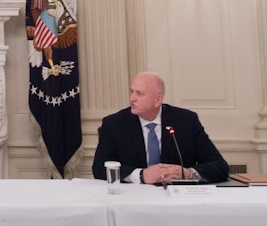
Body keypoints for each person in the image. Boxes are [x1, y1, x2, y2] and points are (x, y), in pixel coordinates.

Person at [92, 71, 229, 184]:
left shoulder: (186, 121)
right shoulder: (114, 124)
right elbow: (99, 168)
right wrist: (141, 175)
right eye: (132, 92)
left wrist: (188, 174)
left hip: (178, 200)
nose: (132, 98)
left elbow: (220, 166)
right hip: (133, 199)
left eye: (139, 94)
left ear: (157, 100)